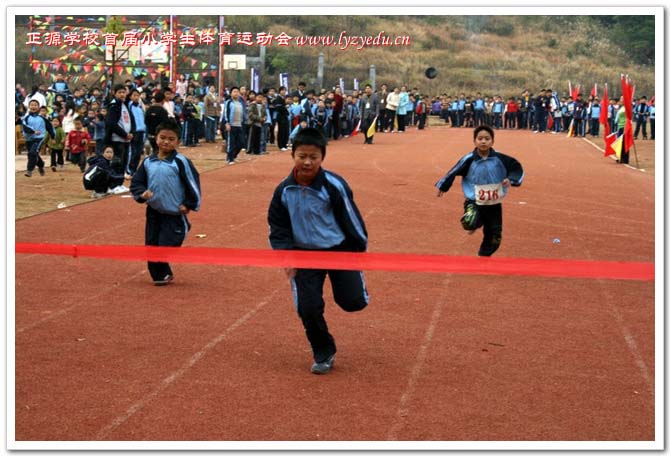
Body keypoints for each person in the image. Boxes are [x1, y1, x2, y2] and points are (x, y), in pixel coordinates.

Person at [268, 128, 369, 374]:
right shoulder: (284, 190)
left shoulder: (334, 186)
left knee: (353, 302)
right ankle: (324, 351)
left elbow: (351, 218)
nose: (307, 162)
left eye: (313, 156)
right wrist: (286, 255)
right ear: (293, 155)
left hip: (338, 250)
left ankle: (357, 285)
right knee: (308, 307)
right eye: (302, 156)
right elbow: (278, 226)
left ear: (322, 157)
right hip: (303, 255)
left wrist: (358, 249)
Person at [130, 120, 201, 286]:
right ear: (156, 138)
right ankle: (160, 275)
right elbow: (136, 182)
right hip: (154, 211)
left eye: (171, 139)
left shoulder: (180, 162)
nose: (166, 142)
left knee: (167, 244)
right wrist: (142, 193)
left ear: (178, 141)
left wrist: (189, 204)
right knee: (152, 245)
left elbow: (193, 183)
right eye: (163, 137)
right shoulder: (148, 162)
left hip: (174, 212)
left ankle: (182, 227)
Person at [435, 125, 524, 257]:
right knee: (470, 221)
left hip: (494, 202)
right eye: (480, 138)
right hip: (474, 200)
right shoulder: (469, 159)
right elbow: (454, 171)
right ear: (475, 141)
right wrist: (443, 186)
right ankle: (476, 223)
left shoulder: (501, 158)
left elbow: (517, 168)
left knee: (494, 235)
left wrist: (511, 179)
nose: (483, 142)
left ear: (492, 141)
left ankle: (484, 256)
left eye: (487, 139)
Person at [104, 84, 135, 175]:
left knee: (124, 162)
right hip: (117, 140)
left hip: (126, 140)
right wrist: (124, 134)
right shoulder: (113, 106)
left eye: (123, 92)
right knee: (117, 162)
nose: (122, 94)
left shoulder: (125, 105)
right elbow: (111, 124)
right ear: (115, 93)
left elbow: (130, 121)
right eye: (119, 92)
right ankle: (114, 183)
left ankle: (120, 182)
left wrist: (131, 133)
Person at [21, 99, 55, 177]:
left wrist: (53, 137)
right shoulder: (26, 118)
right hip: (29, 139)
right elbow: (25, 127)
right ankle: (41, 164)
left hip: (39, 138)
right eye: (32, 105)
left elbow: (50, 127)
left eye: (35, 105)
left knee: (32, 153)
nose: (33, 106)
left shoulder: (42, 119)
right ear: (29, 107)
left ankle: (29, 170)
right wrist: (33, 131)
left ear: (38, 107)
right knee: (33, 154)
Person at [220, 86, 248, 165]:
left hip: (239, 124)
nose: (236, 93)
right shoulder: (229, 102)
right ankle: (230, 158)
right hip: (231, 125)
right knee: (231, 142)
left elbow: (244, 113)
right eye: (234, 92)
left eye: (237, 92)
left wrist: (244, 120)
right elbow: (226, 113)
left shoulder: (240, 103)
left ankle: (234, 155)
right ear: (231, 93)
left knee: (241, 143)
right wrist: (227, 123)